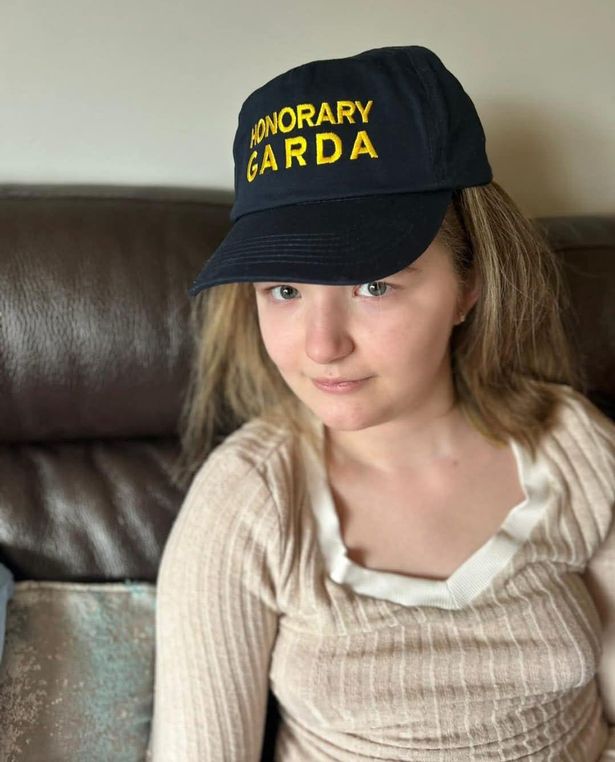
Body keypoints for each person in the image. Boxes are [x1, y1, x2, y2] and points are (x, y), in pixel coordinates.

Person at [147, 45, 615, 761]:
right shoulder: (248, 504)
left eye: (373, 285)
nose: (322, 345)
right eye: (284, 289)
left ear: (469, 285)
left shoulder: (574, 450)